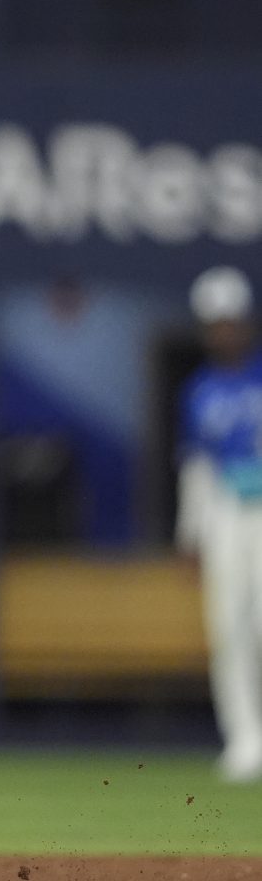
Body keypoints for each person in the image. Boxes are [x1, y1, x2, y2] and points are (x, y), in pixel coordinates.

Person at [177, 266, 262, 784]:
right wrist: (191, 535)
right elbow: (197, 466)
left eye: (230, 321)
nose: (223, 331)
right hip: (227, 511)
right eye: (214, 323)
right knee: (229, 628)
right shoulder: (199, 390)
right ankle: (244, 739)